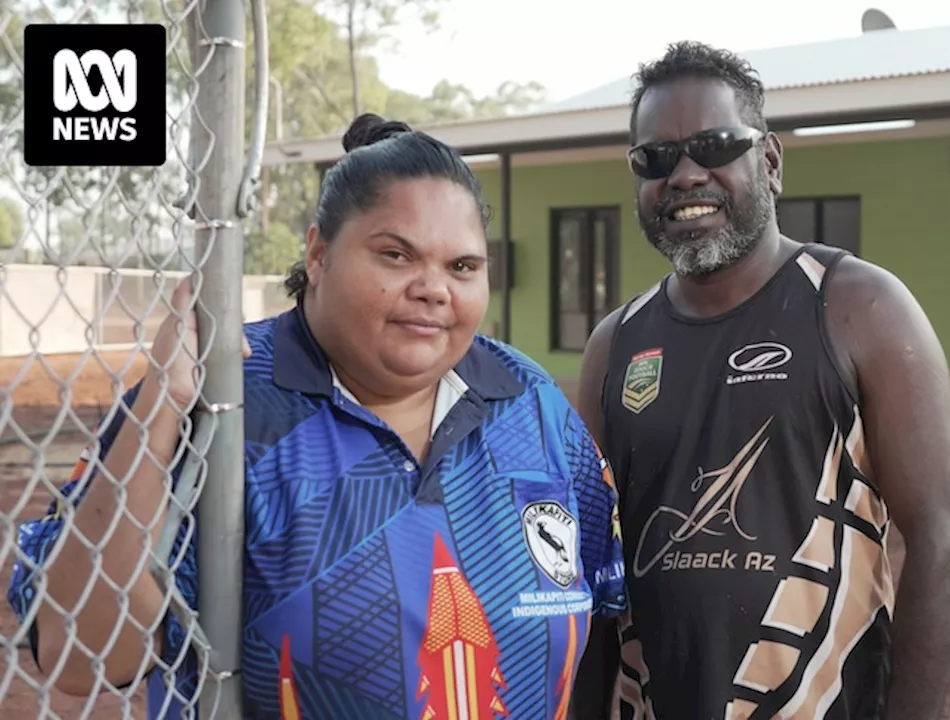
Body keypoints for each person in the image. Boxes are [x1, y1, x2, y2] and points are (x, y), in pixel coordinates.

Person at [8, 113, 627, 720]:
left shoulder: (528, 401)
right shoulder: (224, 401)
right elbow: (79, 659)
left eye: (462, 266)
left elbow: (601, 605)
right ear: (318, 253)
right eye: (396, 255)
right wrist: (161, 409)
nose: (434, 288)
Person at [572, 42, 950, 720]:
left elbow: (939, 540)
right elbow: (590, 564)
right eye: (655, 158)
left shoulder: (858, 308)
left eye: (715, 145)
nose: (686, 174)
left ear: (772, 162)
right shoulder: (616, 345)